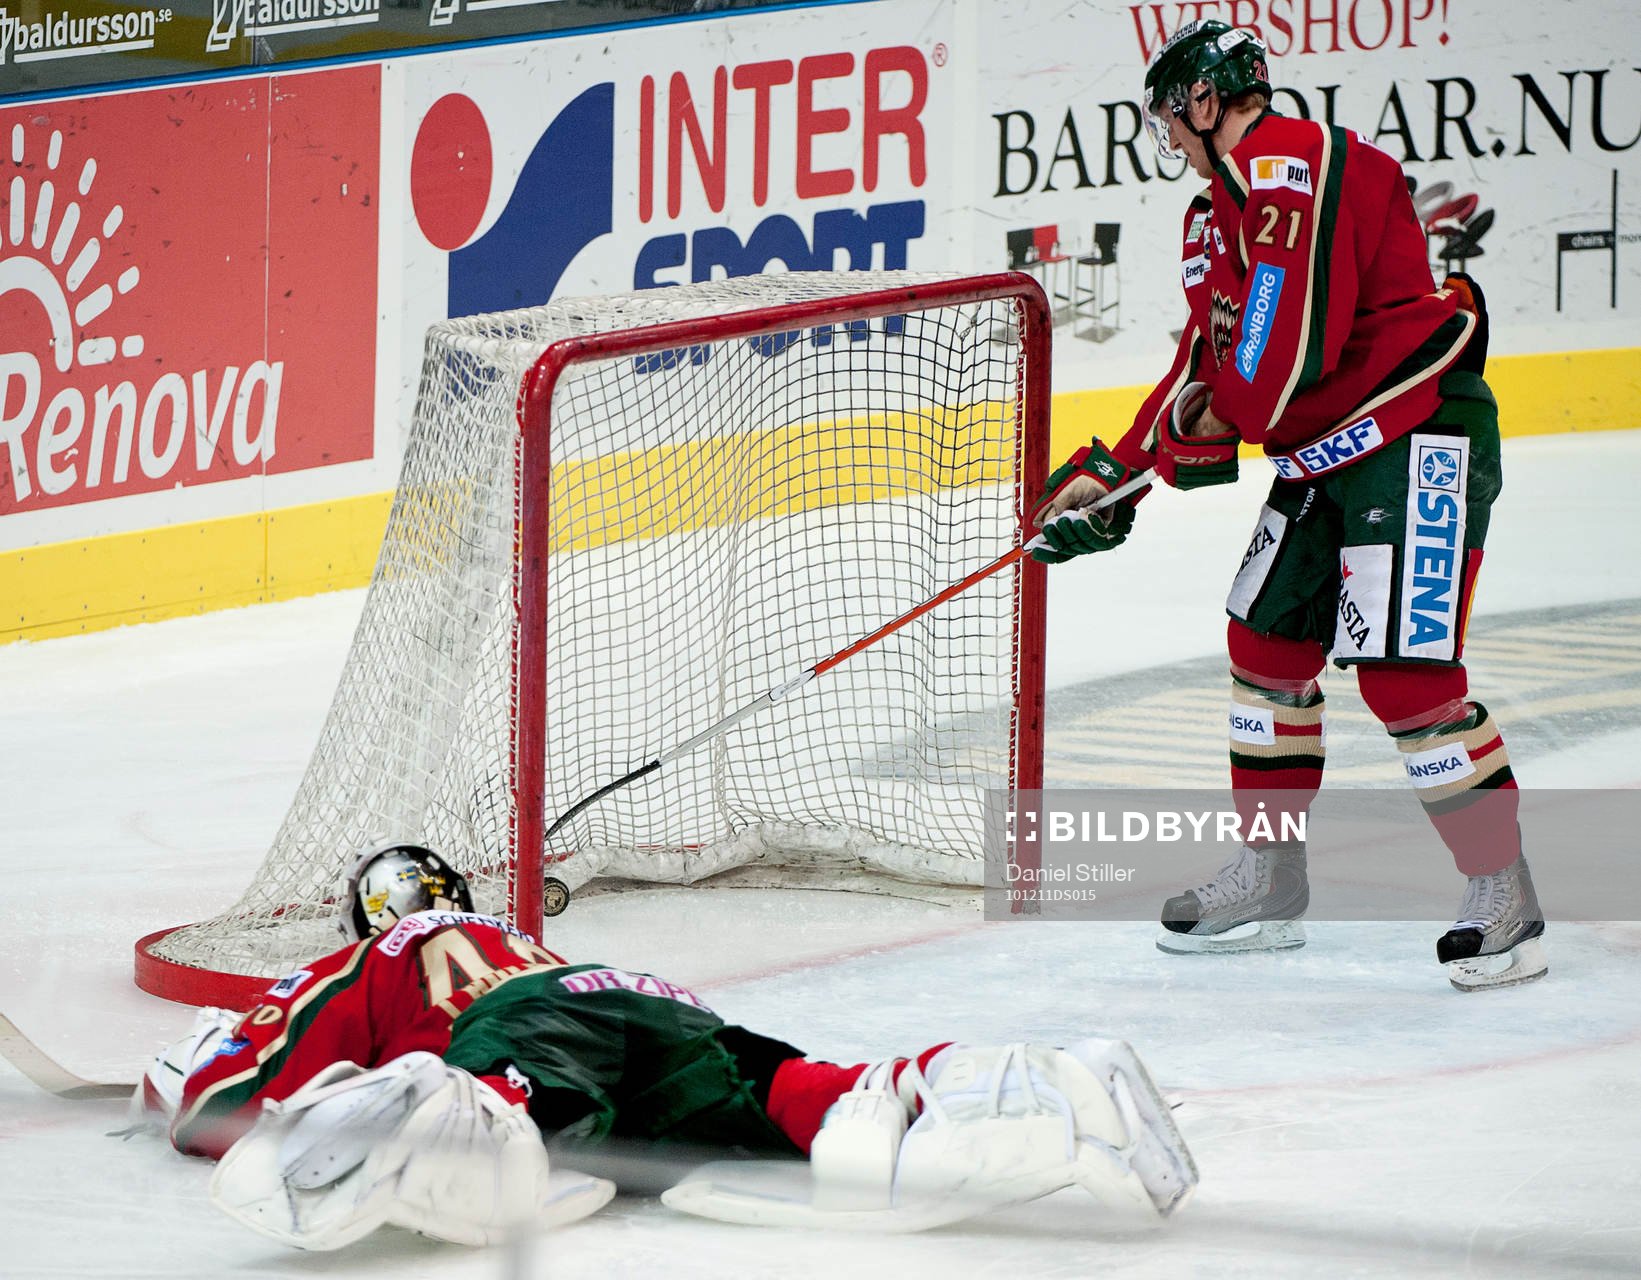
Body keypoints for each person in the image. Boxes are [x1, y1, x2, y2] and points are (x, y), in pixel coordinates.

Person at [1030, 19, 1545, 992]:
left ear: (1205, 100)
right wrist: (1120, 469)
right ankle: (1271, 874)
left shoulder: (1295, 165)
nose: (1168, 140)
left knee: (1406, 676)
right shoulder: (1214, 212)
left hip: (1416, 431)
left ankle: (1503, 887)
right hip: (1323, 453)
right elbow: (1210, 355)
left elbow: (1278, 353)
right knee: (1265, 644)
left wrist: (1199, 433)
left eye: (1171, 118)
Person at [133, 842, 1197, 1249]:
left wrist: (192, 1070)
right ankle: (1049, 1088)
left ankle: (435, 1109)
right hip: (650, 1004)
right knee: (834, 1113)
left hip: (519, 1038)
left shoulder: (374, 959)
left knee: (501, 1136)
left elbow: (223, 1096)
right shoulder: (526, 938)